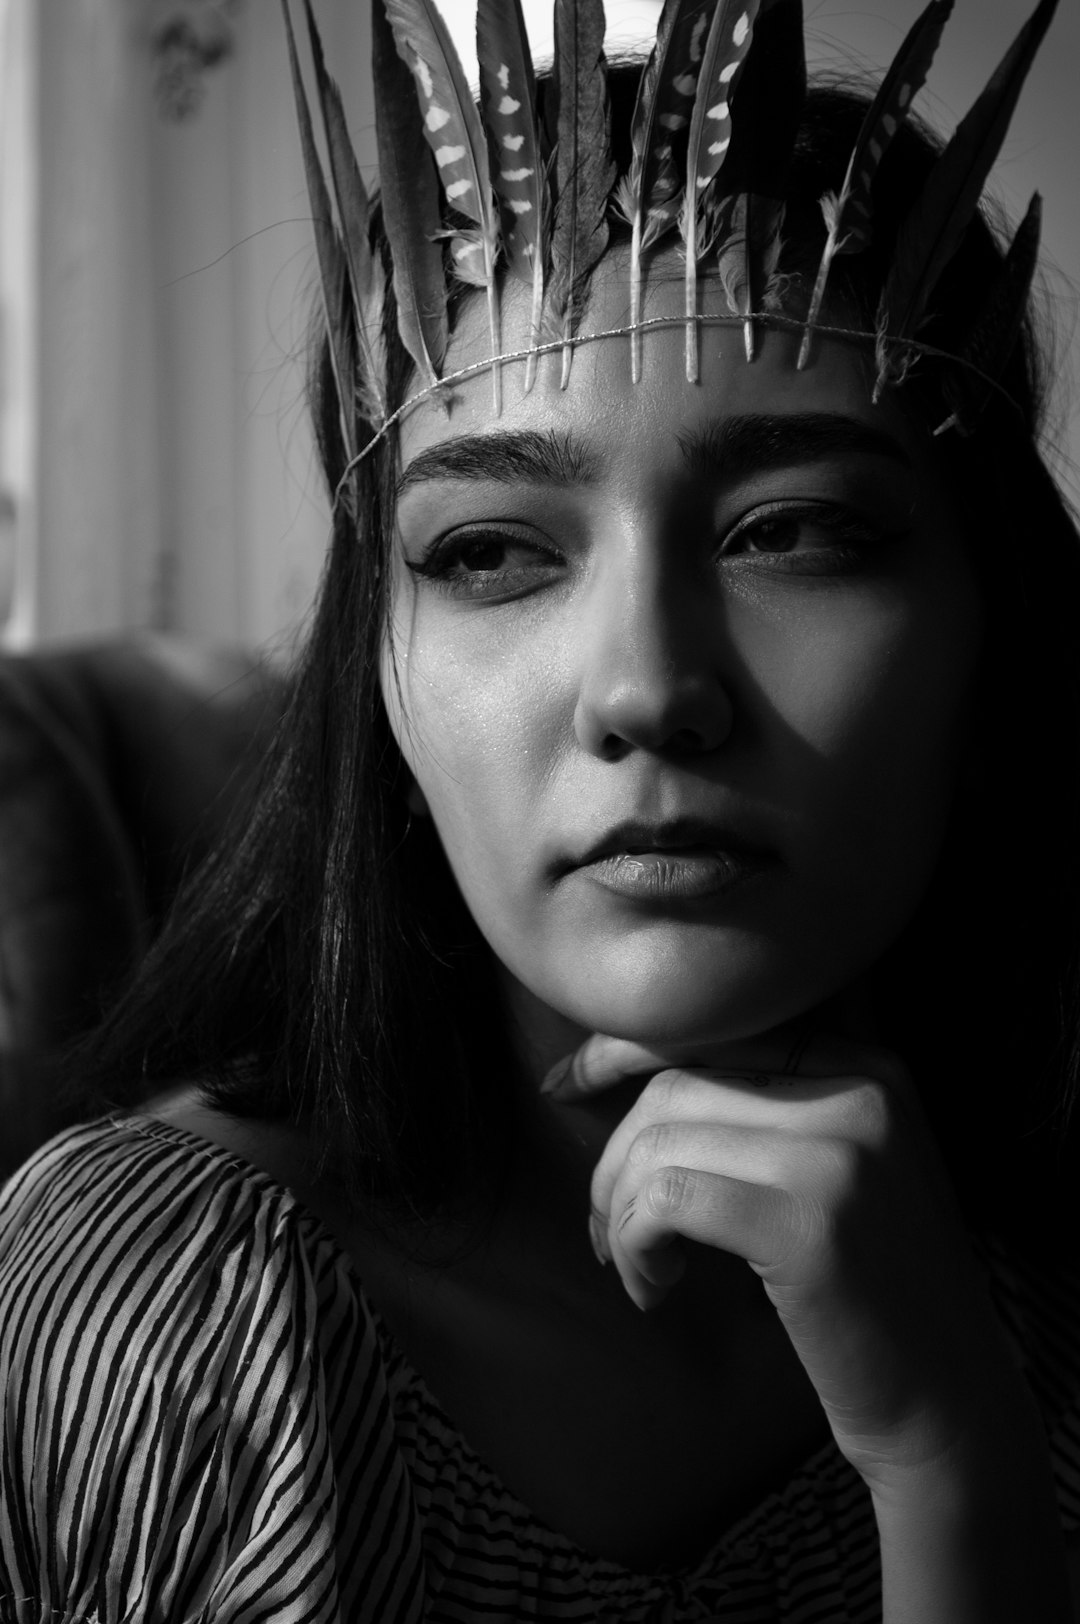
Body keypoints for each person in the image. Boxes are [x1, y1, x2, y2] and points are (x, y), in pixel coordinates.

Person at [2, 0, 1079, 1618]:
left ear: (992, 623)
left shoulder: (1047, 1311)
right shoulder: (165, 1307)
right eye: (490, 552)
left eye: (791, 532)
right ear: (378, 675)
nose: (644, 685)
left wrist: (949, 1458)